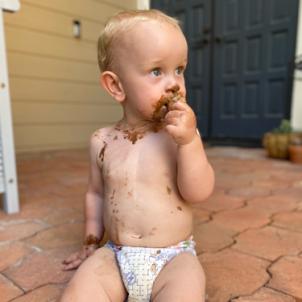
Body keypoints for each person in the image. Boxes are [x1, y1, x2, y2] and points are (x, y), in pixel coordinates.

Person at [60, 9, 214, 302]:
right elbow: (95, 194)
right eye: (157, 71)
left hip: (173, 258)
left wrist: (189, 144)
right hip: (115, 256)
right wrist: (91, 241)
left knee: (187, 288)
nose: (174, 83)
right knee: (78, 294)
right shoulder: (102, 141)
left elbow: (199, 192)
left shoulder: (180, 137)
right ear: (116, 86)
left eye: (179, 70)